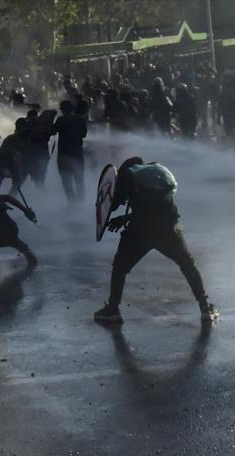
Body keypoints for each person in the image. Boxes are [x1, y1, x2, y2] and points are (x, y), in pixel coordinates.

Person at [94, 157, 218, 324]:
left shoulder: (127, 178)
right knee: (187, 264)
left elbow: (112, 205)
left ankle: (113, 309)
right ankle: (205, 308)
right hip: (169, 228)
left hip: (140, 231)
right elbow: (158, 209)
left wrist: (120, 208)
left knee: (120, 268)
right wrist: (127, 215)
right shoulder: (158, 175)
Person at [53, 100, 88, 201]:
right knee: (79, 179)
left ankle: (72, 201)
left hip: (63, 155)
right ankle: (81, 201)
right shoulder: (80, 119)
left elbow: (53, 131)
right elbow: (84, 135)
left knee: (66, 180)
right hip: (77, 154)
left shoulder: (60, 120)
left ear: (62, 109)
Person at [0, 118, 29, 196]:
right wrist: (3, 168)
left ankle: (10, 199)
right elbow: (0, 154)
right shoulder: (10, 139)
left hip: (13, 165)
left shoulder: (25, 138)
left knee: (17, 183)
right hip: (2, 164)